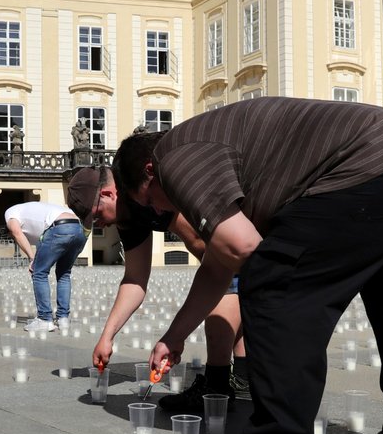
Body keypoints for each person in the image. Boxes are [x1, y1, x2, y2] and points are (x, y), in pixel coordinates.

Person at [113, 97, 383, 434]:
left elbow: (243, 250)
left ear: (150, 172)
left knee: (273, 287)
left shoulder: (175, 157)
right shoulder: (221, 150)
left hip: (367, 165)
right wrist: (175, 336)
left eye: (150, 201)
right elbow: (219, 266)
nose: (158, 212)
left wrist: (283, 289)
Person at [66, 165, 248, 410]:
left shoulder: (147, 192)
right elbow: (134, 280)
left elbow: (208, 246)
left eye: (96, 215)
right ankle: (244, 379)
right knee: (231, 294)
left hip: (232, 237)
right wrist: (107, 337)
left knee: (222, 297)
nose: (99, 224)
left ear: (109, 194)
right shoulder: (127, 216)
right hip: (223, 249)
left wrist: (176, 336)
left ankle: (217, 388)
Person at [4, 201, 87, 332]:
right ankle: (63, 318)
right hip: (79, 229)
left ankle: (44, 319)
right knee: (64, 274)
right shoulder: (32, 215)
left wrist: (32, 259)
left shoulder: (10, 214)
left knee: (39, 273)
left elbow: (16, 232)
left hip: (59, 227)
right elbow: (43, 244)